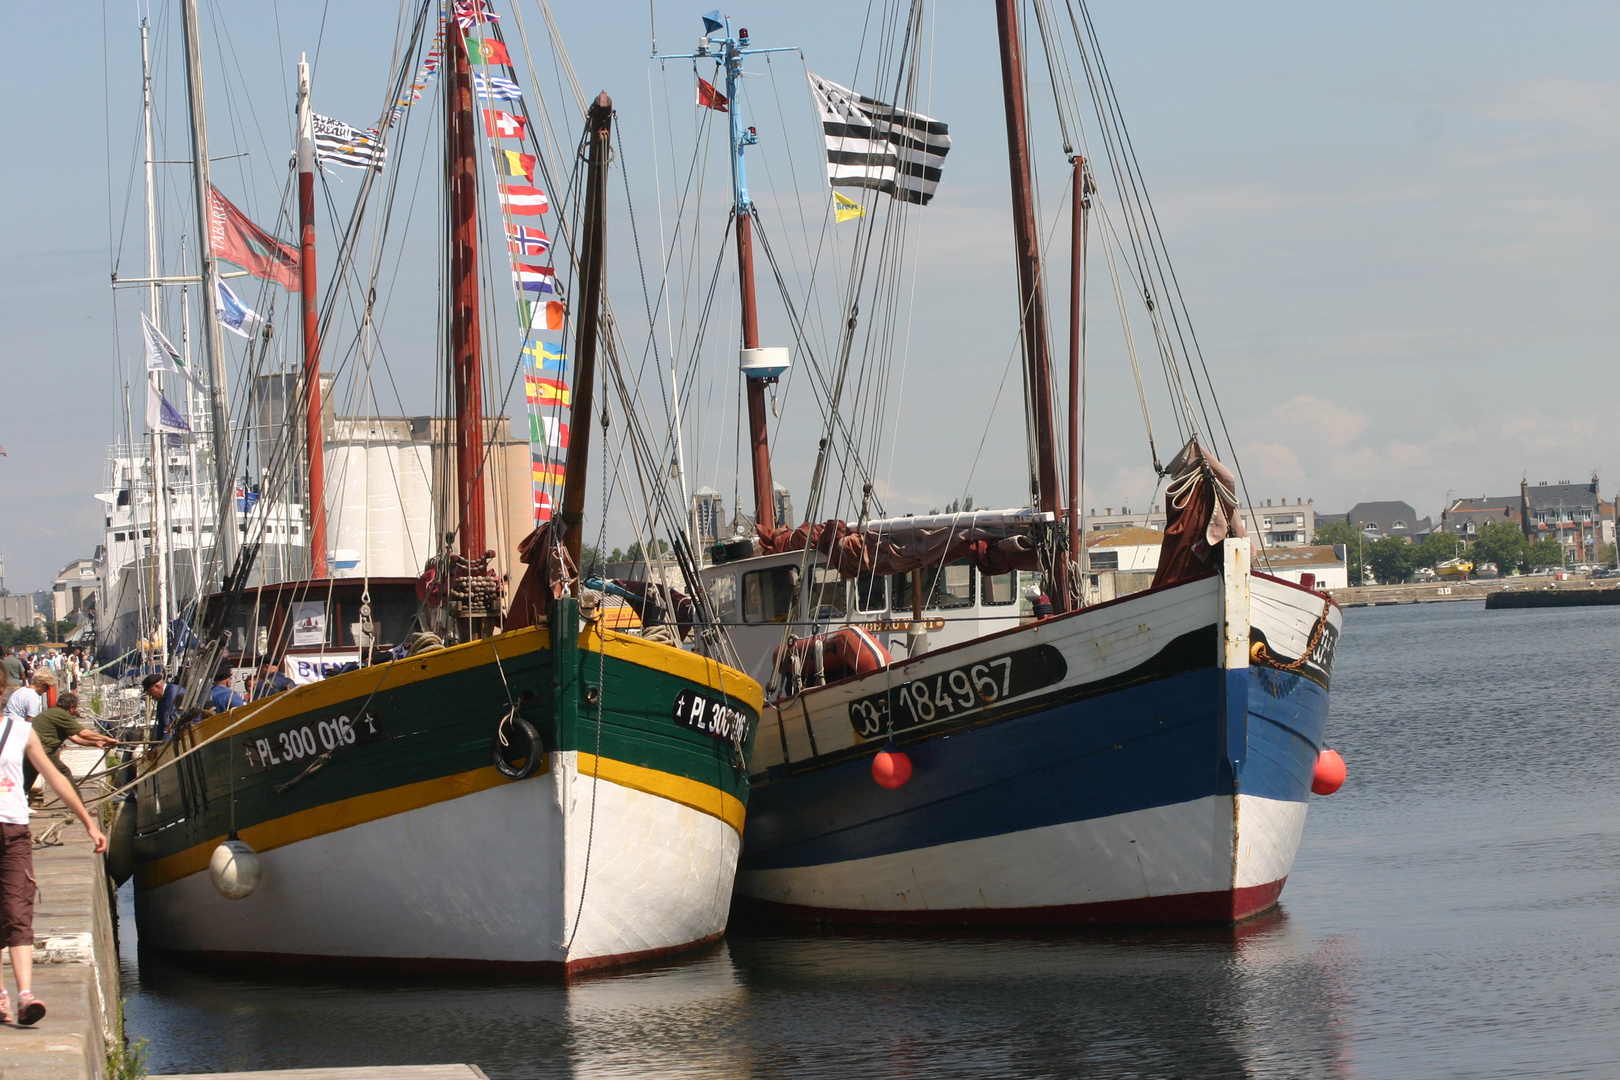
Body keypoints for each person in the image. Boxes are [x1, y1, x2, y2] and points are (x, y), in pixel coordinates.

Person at [0, 687, 108, 1026]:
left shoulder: (19, 731)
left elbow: (54, 777)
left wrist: (89, 823)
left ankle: (25, 996)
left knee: (18, 911)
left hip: (14, 832)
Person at [24, 692, 117, 798]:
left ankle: (18, 803)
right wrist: (106, 738)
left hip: (29, 750)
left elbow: (76, 739)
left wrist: (95, 743)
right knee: (64, 773)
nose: (75, 711)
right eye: (75, 708)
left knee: (27, 779)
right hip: (42, 751)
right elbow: (83, 733)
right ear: (71, 707)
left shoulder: (53, 712)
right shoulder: (62, 714)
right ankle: (78, 805)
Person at [140, 673, 184, 740]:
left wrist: (163, 745)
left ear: (157, 686)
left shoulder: (173, 694)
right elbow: (161, 725)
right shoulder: (161, 698)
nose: (152, 697)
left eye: (151, 693)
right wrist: (156, 746)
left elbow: (170, 725)